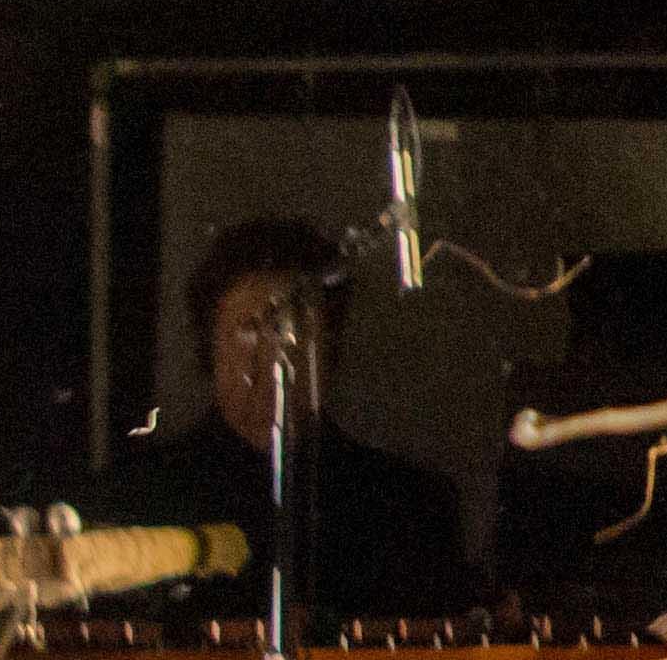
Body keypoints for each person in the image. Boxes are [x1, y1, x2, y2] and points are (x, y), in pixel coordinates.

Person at [116, 215, 481, 631]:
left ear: (330, 346)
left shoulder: (408, 510)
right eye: (250, 328)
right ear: (209, 347)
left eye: (294, 330)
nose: (275, 352)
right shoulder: (140, 502)